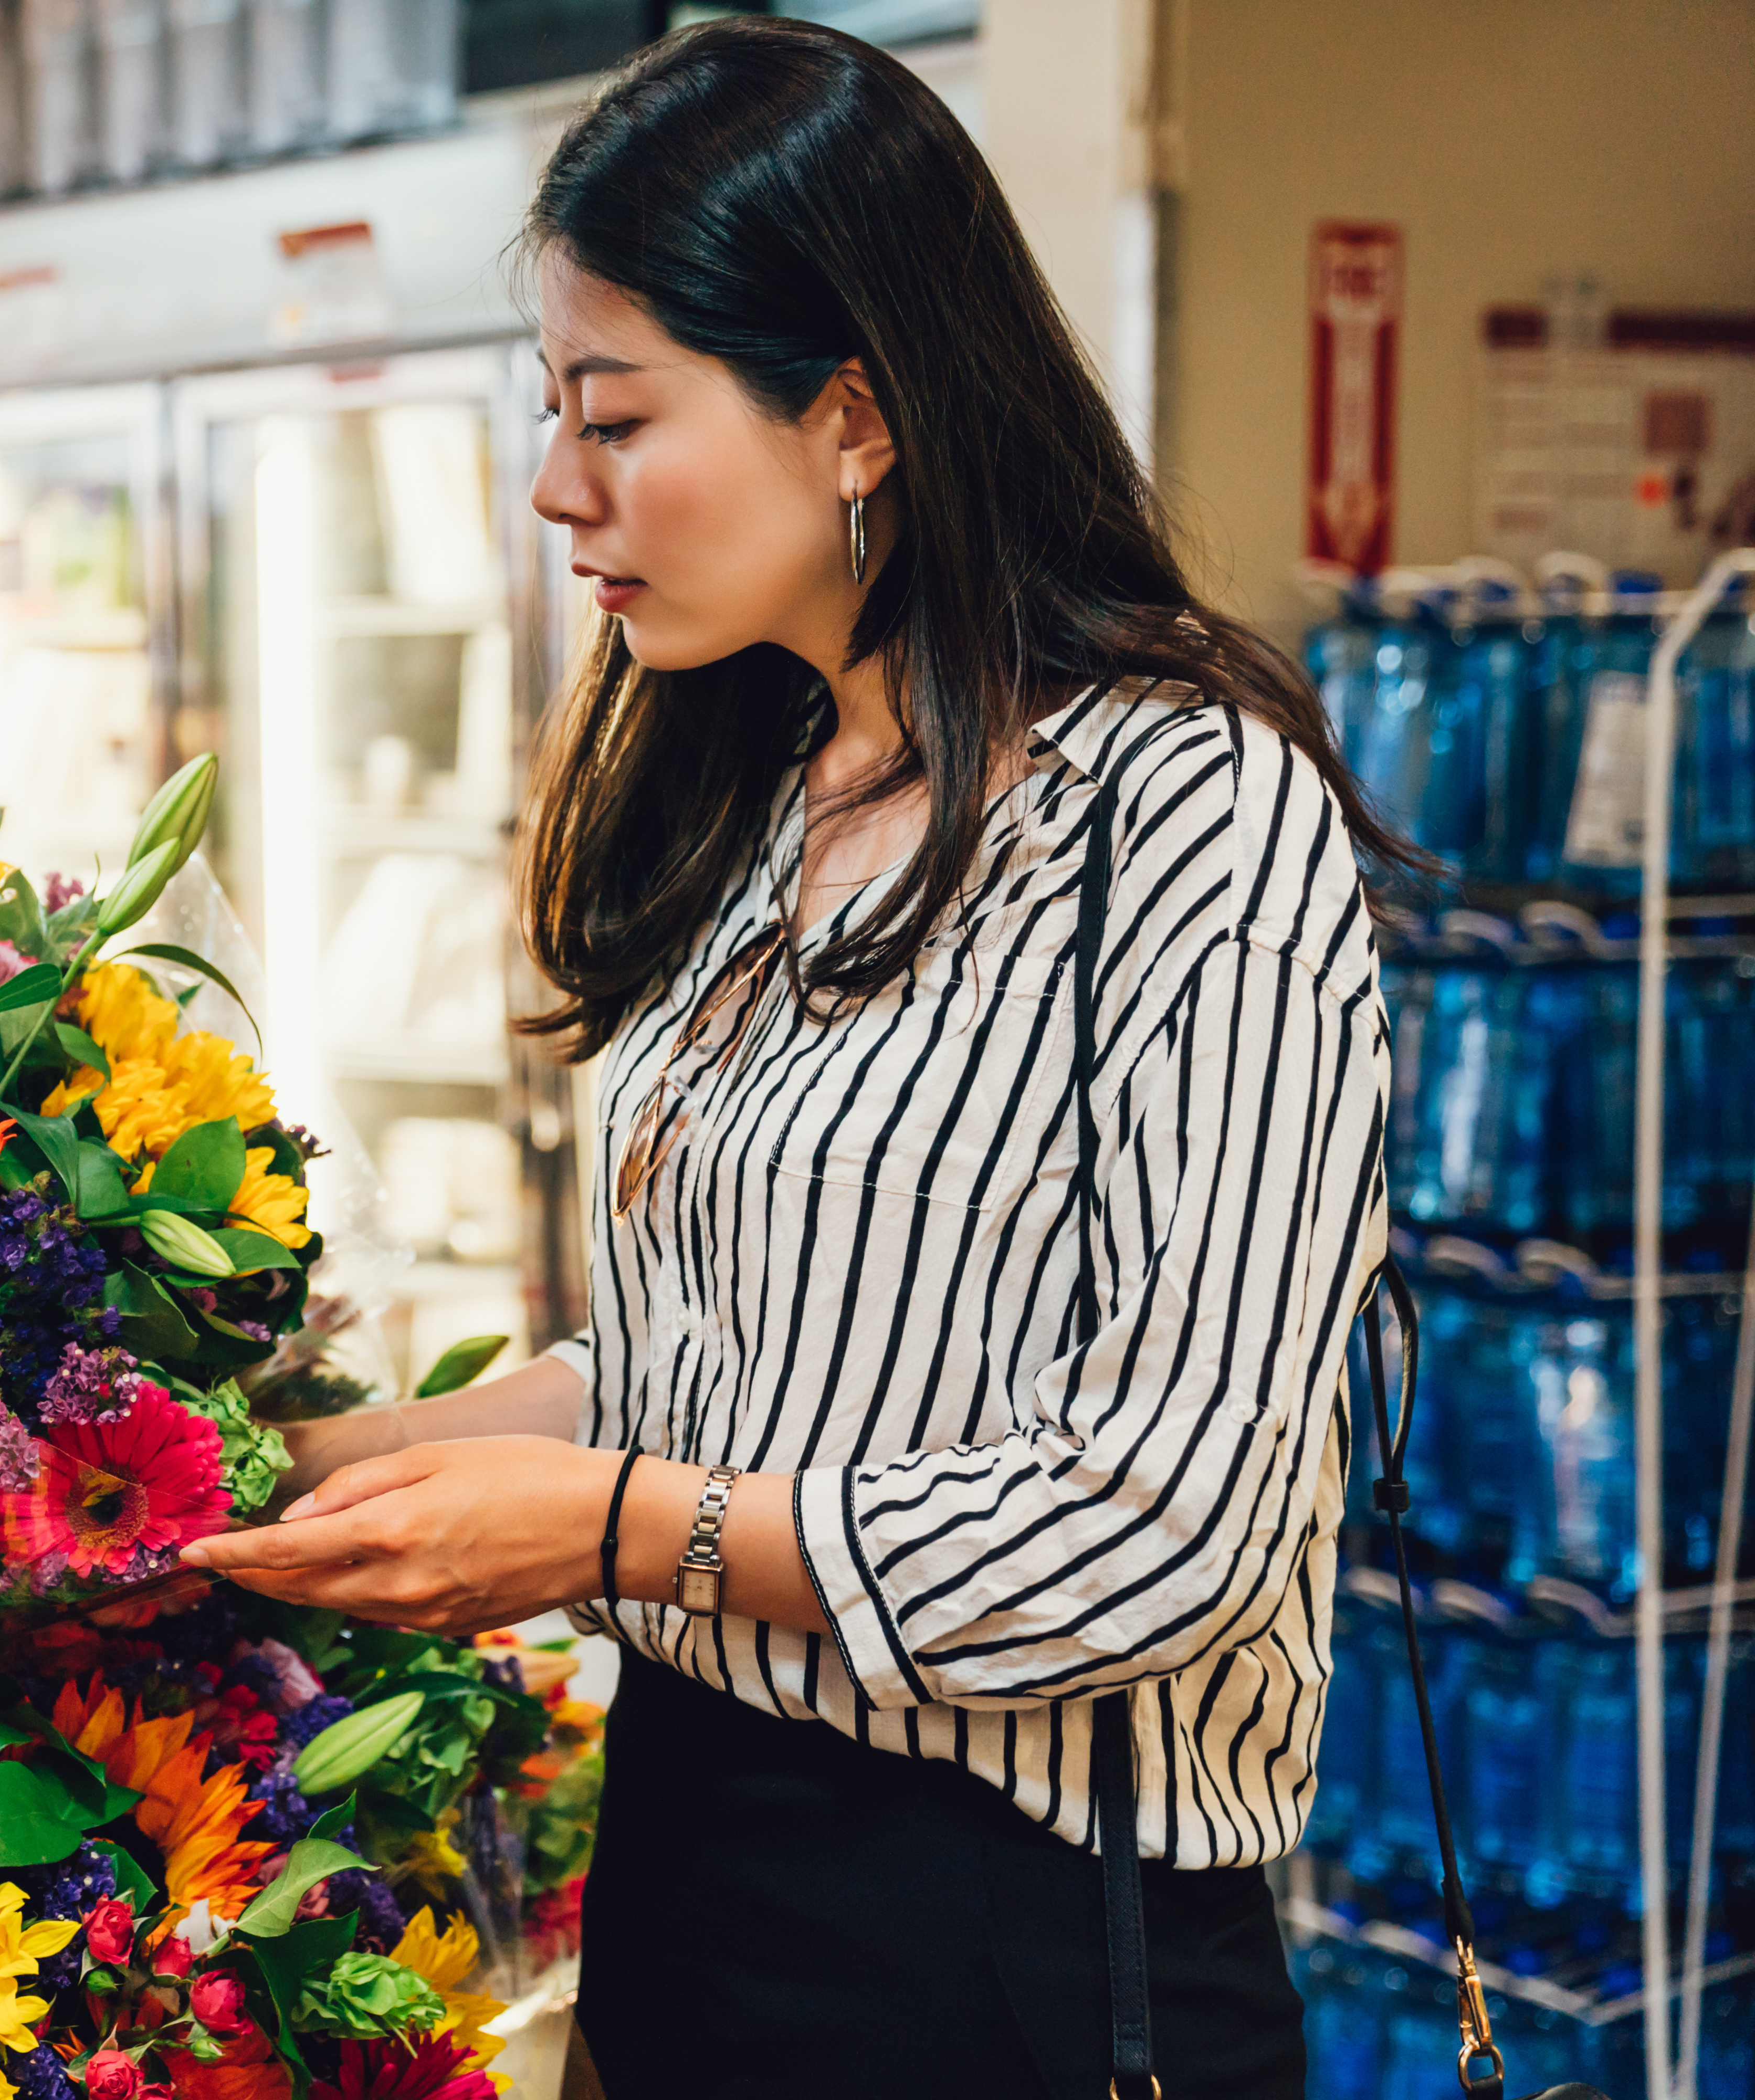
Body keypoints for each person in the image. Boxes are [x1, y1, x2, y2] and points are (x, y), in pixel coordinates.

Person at [180, 19, 1417, 2097]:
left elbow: (1166, 1522)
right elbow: (743, 1356)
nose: (559, 487)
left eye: (616, 413)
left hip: (1009, 1946)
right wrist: (360, 1460)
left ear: (854, 411)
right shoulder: (779, 774)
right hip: (692, 1868)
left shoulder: (1187, 813)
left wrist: (594, 1533)